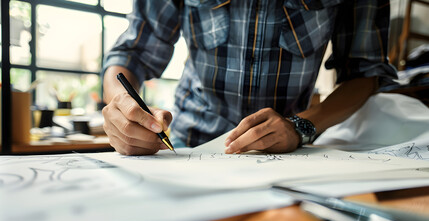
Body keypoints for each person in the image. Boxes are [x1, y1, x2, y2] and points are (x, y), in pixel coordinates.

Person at [102, 0, 397, 155]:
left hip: (286, 151)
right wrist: (121, 105)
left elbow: (364, 74)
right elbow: (132, 54)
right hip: (185, 144)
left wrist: (300, 127)